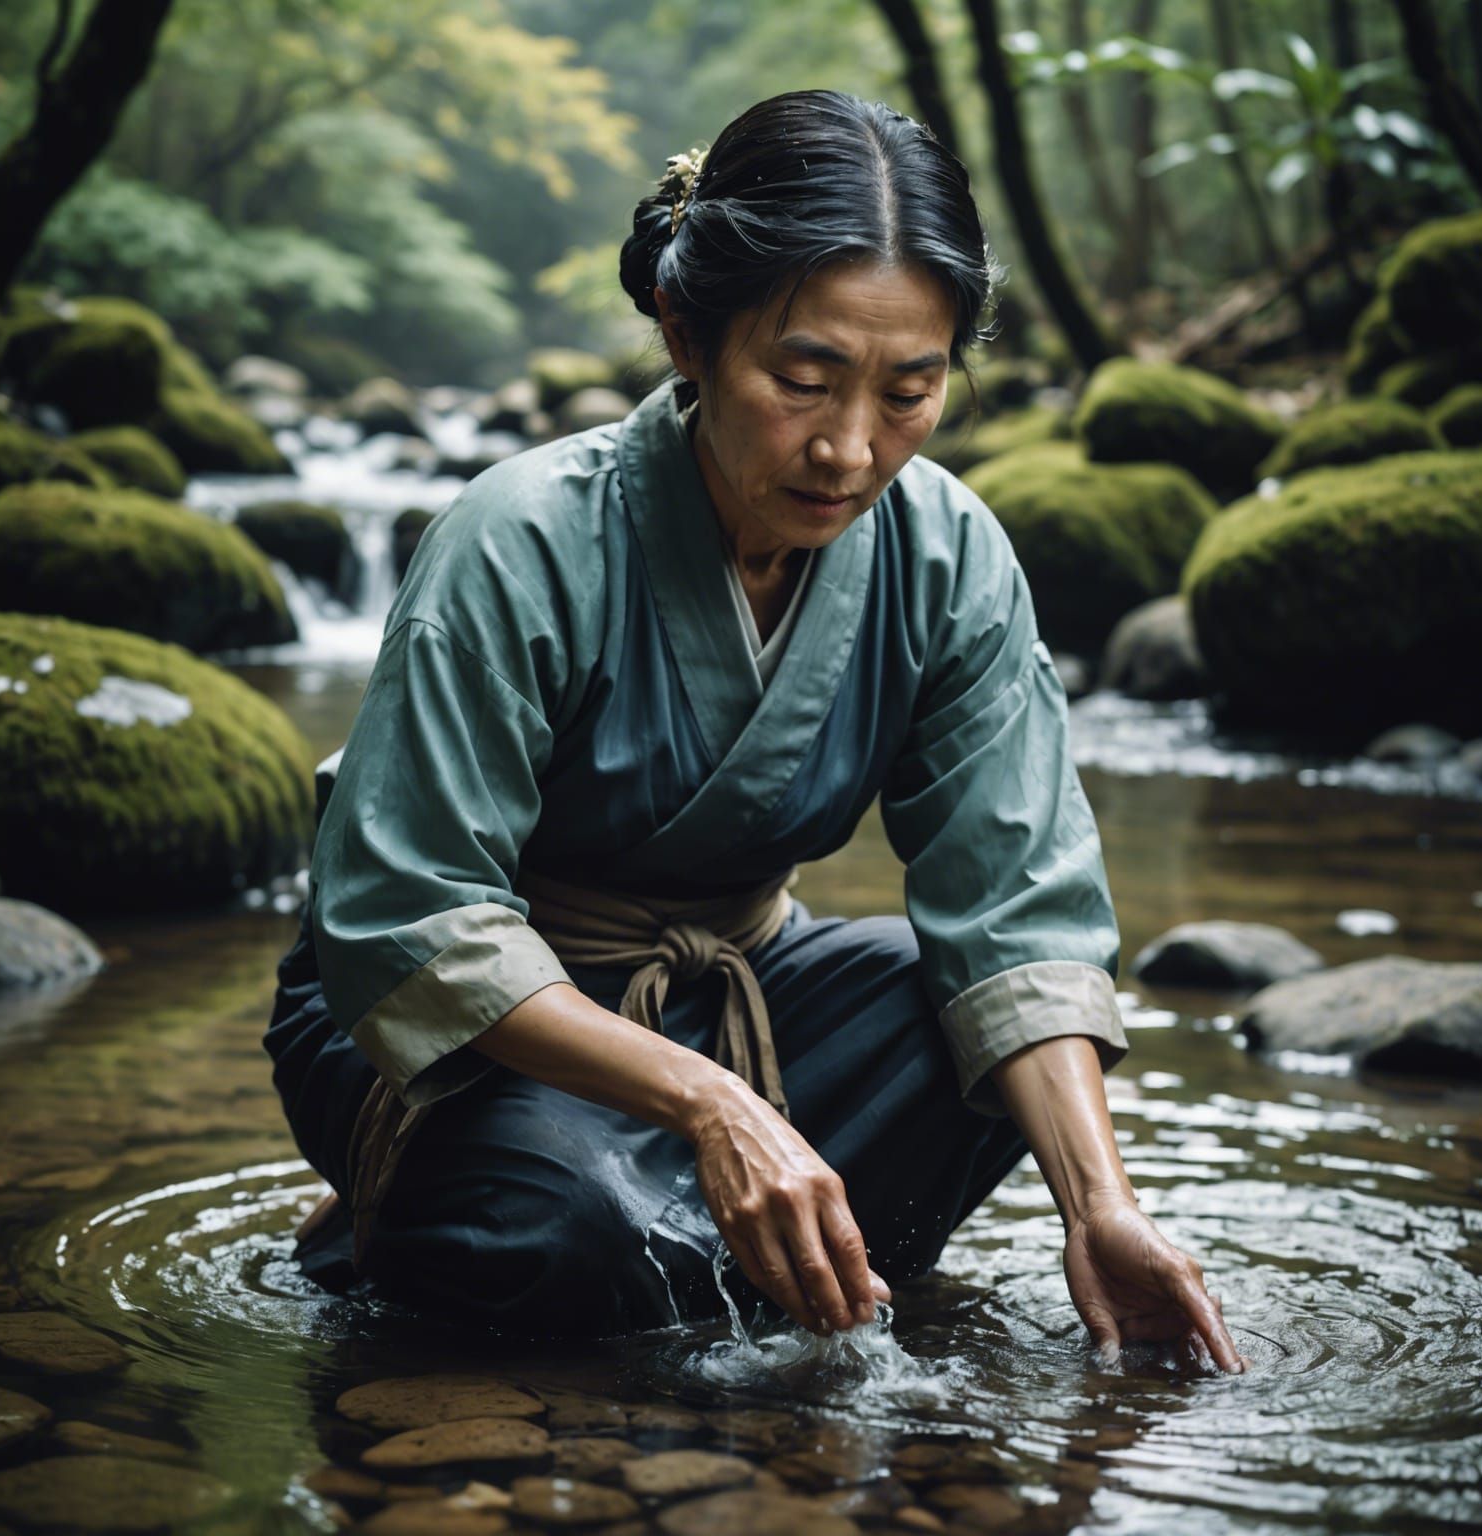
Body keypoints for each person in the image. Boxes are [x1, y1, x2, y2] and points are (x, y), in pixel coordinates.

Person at [264, 89, 1244, 1371]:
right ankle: (445, 1201)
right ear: (687, 333)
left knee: (969, 1032)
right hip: (444, 1016)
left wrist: (1101, 1208)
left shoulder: (948, 555)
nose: (849, 448)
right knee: (573, 1239)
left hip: (734, 989)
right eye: (803, 379)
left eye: (910, 389)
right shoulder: (520, 542)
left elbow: (1020, 911)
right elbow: (406, 915)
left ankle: (724, 1249)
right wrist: (712, 1104)